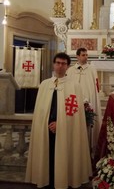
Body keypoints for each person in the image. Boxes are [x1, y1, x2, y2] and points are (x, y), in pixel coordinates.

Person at [26, 52, 92, 188]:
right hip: (46, 128)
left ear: (68, 66)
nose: (60, 66)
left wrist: (60, 124)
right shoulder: (44, 85)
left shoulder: (74, 86)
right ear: (53, 64)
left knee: (63, 156)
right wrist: (46, 123)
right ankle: (46, 180)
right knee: (47, 156)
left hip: (65, 130)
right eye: (58, 63)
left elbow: (73, 113)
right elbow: (40, 111)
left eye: (63, 64)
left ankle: (63, 181)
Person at [66, 47, 102, 157]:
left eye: (86, 55)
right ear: (77, 56)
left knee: (88, 123)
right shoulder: (70, 70)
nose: (85, 57)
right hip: (74, 101)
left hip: (88, 101)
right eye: (83, 55)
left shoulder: (91, 69)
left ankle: (89, 147)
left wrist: (91, 100)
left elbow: (96, 86)